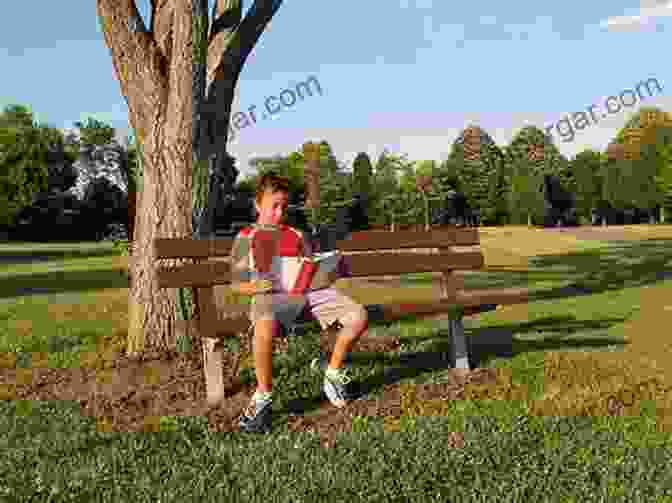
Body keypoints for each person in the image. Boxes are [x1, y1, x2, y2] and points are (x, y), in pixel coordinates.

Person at [230, 172, 368, 434]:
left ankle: (334, 372)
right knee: (264, 323)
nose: (280, 213)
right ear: (258, 205)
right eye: (274, 206)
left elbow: (309, 265)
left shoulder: (296, 235)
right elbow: (236, 283)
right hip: (271, 296)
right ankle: (263, 395)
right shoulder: (245, 237)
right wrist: (256, 286)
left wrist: (326, 271)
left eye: (284, 206)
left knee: (358, 315)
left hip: (309, 293)